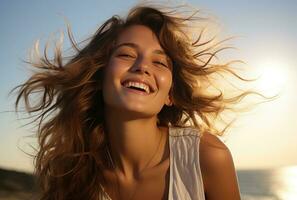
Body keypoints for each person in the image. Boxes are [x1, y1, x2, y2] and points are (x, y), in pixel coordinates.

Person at [12, 3, 244, 200]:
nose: (142, 66)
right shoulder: (71, 173)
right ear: (100, 76)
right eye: (126, 54)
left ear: (170, 95)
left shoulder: (206, 157)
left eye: (160, 63)